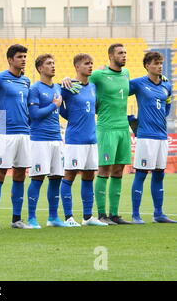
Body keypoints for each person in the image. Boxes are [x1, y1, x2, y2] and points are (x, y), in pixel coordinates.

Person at [59, 53, 108, 227]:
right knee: (69, 175)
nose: (90, 66)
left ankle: (87, 217)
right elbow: (58, 103)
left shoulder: (93, 87)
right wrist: (70, 115)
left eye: (92, 63)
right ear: (77, 67)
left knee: (88, 176)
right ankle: (68, 217)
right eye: (87, 63)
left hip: (91, 139)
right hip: (75, 139)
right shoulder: (68, 86)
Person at [0, 44, 31, 230]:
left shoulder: (26, 80)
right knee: (0, 173)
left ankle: (16, 219)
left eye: (25, 57)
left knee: (20, 174)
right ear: (10, 59)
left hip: (24, 132)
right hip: (5, 132)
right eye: (19, 56)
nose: (23, 60)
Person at [129, 51, 176, 224]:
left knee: (159, 174)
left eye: (161, 63)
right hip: (145, 136)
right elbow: (118, 93)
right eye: (156, 63)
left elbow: (167, 106)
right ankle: (135, 215)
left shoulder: (166, 85)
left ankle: (158, 214)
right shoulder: (138, 83)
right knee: (141, 174)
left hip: (161, 136)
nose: (159, 66)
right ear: (147, 65)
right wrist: (131, 119)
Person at [89, 44, 132, 225]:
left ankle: (114, 214)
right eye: (120, 53)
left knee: (118, 170)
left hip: (123, 128)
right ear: (110, 56)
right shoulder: (99, 75)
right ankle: (101, 214)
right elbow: (81, 81)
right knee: (104, 169)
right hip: (106, 129)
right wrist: (67, 79)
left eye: (125, 52)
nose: (124, 56)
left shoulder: (126, 73)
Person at [27, 54, 70, 229]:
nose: (53, 66)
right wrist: (54, 105)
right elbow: (34, 115)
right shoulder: (35, 89)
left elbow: (74, 84)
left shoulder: (58, 88)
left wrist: (68, 79)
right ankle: (31, 218)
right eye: (48, 64)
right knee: (37, 177)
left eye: (54, 63)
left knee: (56, 177)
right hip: (39, 139)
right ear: (40, 68)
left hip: (56, 138)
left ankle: (53, 217)